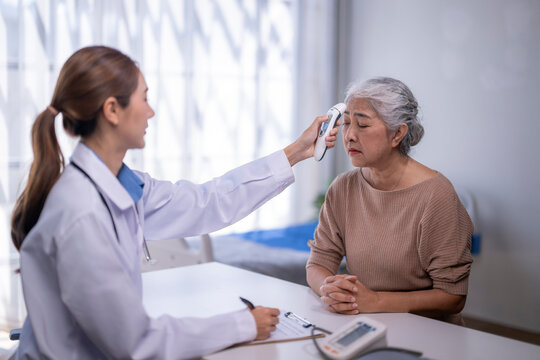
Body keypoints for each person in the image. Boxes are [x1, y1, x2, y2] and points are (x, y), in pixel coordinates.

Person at [10, 45, 340, 359]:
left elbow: (208, 201)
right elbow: (135, 342)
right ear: (112, 110)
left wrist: (296, 152)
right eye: (144, 98)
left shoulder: (125, 186)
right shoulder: (81, 214)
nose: (151, 111)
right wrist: (243, 324)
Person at [306, 77, 473, 325]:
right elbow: (318, 264)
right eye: (347, 123)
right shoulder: (343, 188)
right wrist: (327, 289)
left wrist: (376, 301)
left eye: (362, 125)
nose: (349, 135)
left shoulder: (436, 195)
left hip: (429, 333)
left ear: (397, 134)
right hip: (364, 325)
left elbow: (452, 296)